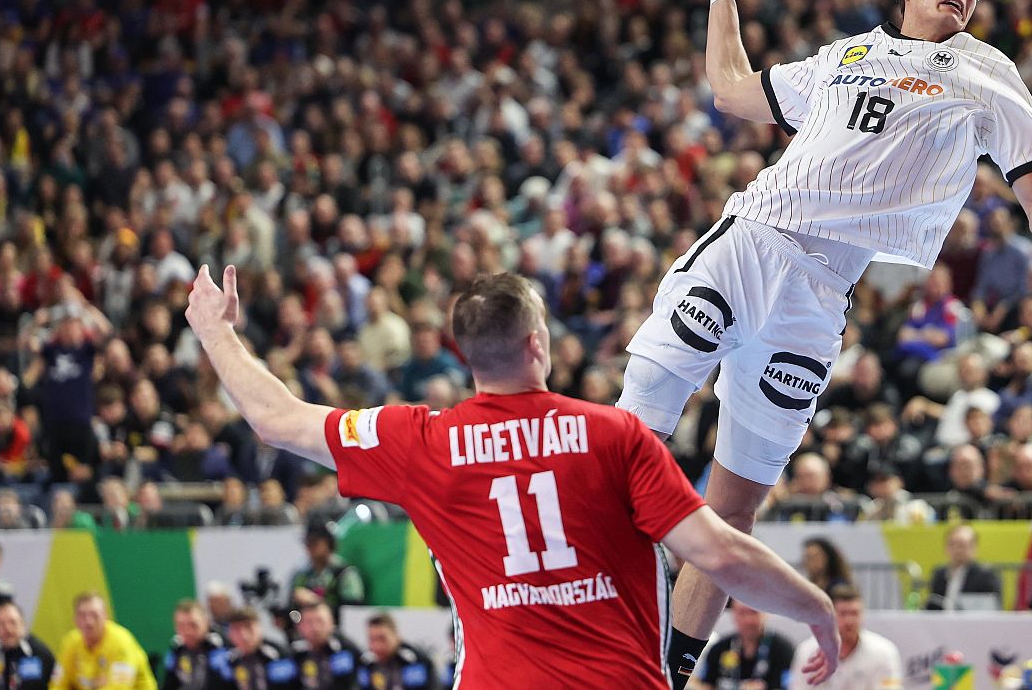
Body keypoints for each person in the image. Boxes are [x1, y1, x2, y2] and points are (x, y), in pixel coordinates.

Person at [619, 0, 1032, 687]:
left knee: (735, 508)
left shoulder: (988, 74)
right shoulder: (844, 56)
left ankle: (665, 674)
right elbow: (731, 91)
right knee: (633, 436)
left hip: (818, 299)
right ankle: (572, 610)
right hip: (750, 245)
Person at [186, 267, 838, 688]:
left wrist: (215, 332)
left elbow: (276, 420)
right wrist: (817, 609)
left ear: (467, 356)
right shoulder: (613, 436)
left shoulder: (420, 442)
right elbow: (720, 553)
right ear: (537, 344)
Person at [789, 587, 901, 690]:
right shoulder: (807, 652)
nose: (849, 621)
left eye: (854, 613)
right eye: (843, 613)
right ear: (829, 616)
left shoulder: (884, 652)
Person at [49, 591, 155, 690]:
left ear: (105, 616)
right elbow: (58, 684)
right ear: (75, 619)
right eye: (82, 615)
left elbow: (119, 688)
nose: (88, 622)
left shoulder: (121, 643)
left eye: (94, 615)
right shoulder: (70, 642)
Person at [690, 602, 795, 690]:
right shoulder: (719, 648)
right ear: (733, 615)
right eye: (742, 613)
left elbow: (790, 686)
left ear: (765, 614)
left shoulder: (783, 649)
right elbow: (706, 685)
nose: (748, 620)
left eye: (753, 612)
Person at [288, 524, 365, 623]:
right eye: (307, 543)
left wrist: (316, 601)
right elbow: (292, 610)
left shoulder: (344, 573)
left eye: (314, 542)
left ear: (329, 543)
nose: (309, 548)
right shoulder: (302, 575)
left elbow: (353, 611)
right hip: (305, 628)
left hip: (337, 628)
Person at [925, 525, 1002, 612]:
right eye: (952, 544)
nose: (957, 549)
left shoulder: (986, 574)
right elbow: (932, 605)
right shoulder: (939, 573)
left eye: (961, 545)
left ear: (974, 547)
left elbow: (990, 607)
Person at [0, 600, 54, 690]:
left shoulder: (39, 652)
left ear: (22, 624)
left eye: (12, 622)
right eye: (1, 624)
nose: (7, 629)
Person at [289, 601, 358, 690]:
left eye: (320, 621)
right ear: (299, 626)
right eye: (309, 622)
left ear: (332, 623)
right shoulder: (293, 654)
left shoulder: (347, 650)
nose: (315, 628)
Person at [223, 608, 297, 690]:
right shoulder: (228, 659)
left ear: (259, 628)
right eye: (237, 629)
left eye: (248, 627)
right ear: (229, 633)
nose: (243, 635)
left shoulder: (278, 654)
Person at [161, 599, 228, 690]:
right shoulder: (176, 649)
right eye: (181, 625)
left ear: (206, 623)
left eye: (193, 625)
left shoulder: (221, 647)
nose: (187, 631)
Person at [356, 615, 431, 690]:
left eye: (382, 639)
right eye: (372, 639)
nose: (377, 646)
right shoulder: (366, 663)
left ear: (396, 635)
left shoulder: (414, 661)